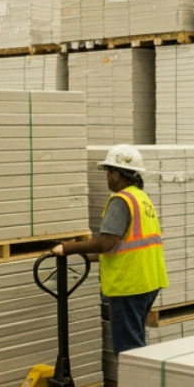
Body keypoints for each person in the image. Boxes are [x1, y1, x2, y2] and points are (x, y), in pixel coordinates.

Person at [53, 144, 169, 355]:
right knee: (136, 344)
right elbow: (123, 246)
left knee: (128, 350)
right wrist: (83, 254)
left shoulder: (121, 200)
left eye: (110, 171)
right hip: (149, 281)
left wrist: (67, 248)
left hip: (129, 285)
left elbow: (106, 242)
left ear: (120, 174)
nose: (107, 177)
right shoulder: (141, 199)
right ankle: (139, 385)